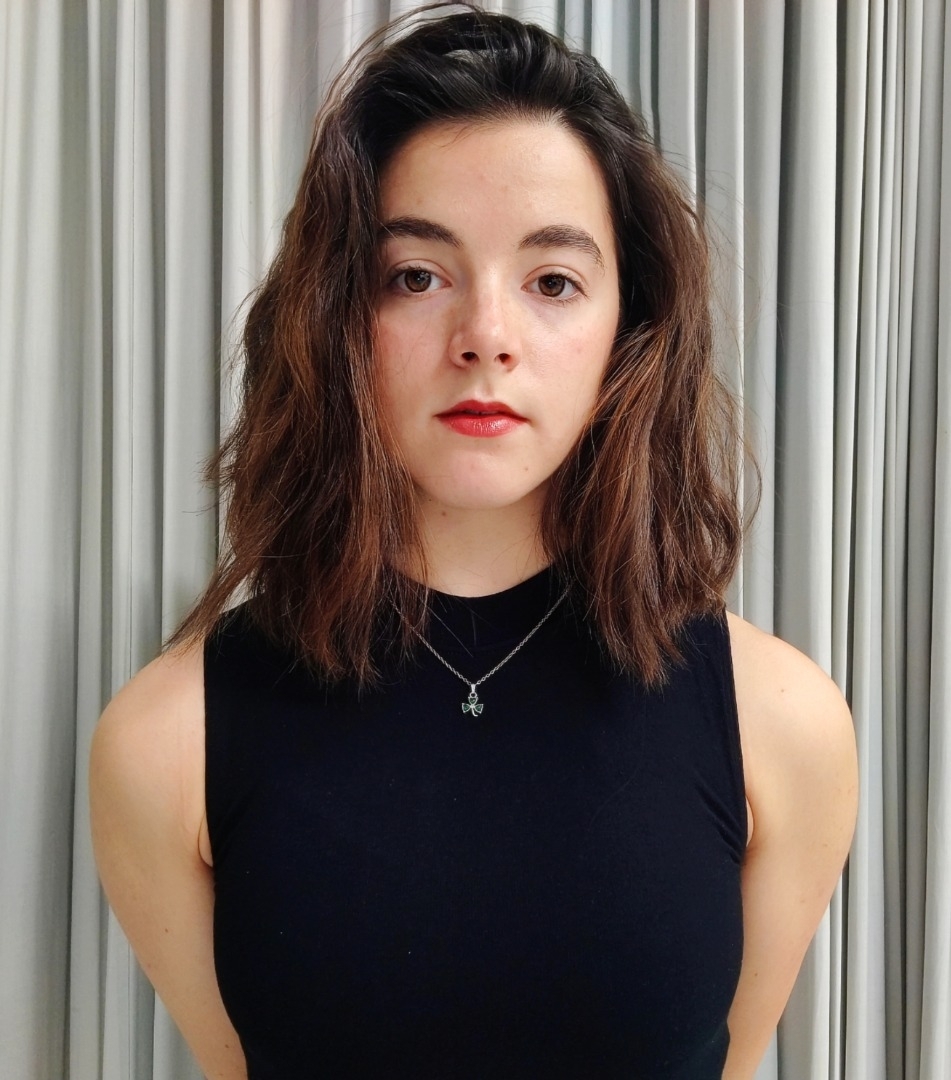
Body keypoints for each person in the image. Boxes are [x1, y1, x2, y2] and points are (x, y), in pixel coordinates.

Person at [89, 5, 858, 1078]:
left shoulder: (783, 728)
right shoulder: (165, 744)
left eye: (552, 282)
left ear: (627, 328)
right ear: (334, 315)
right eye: (416, 275)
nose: (486, 337)